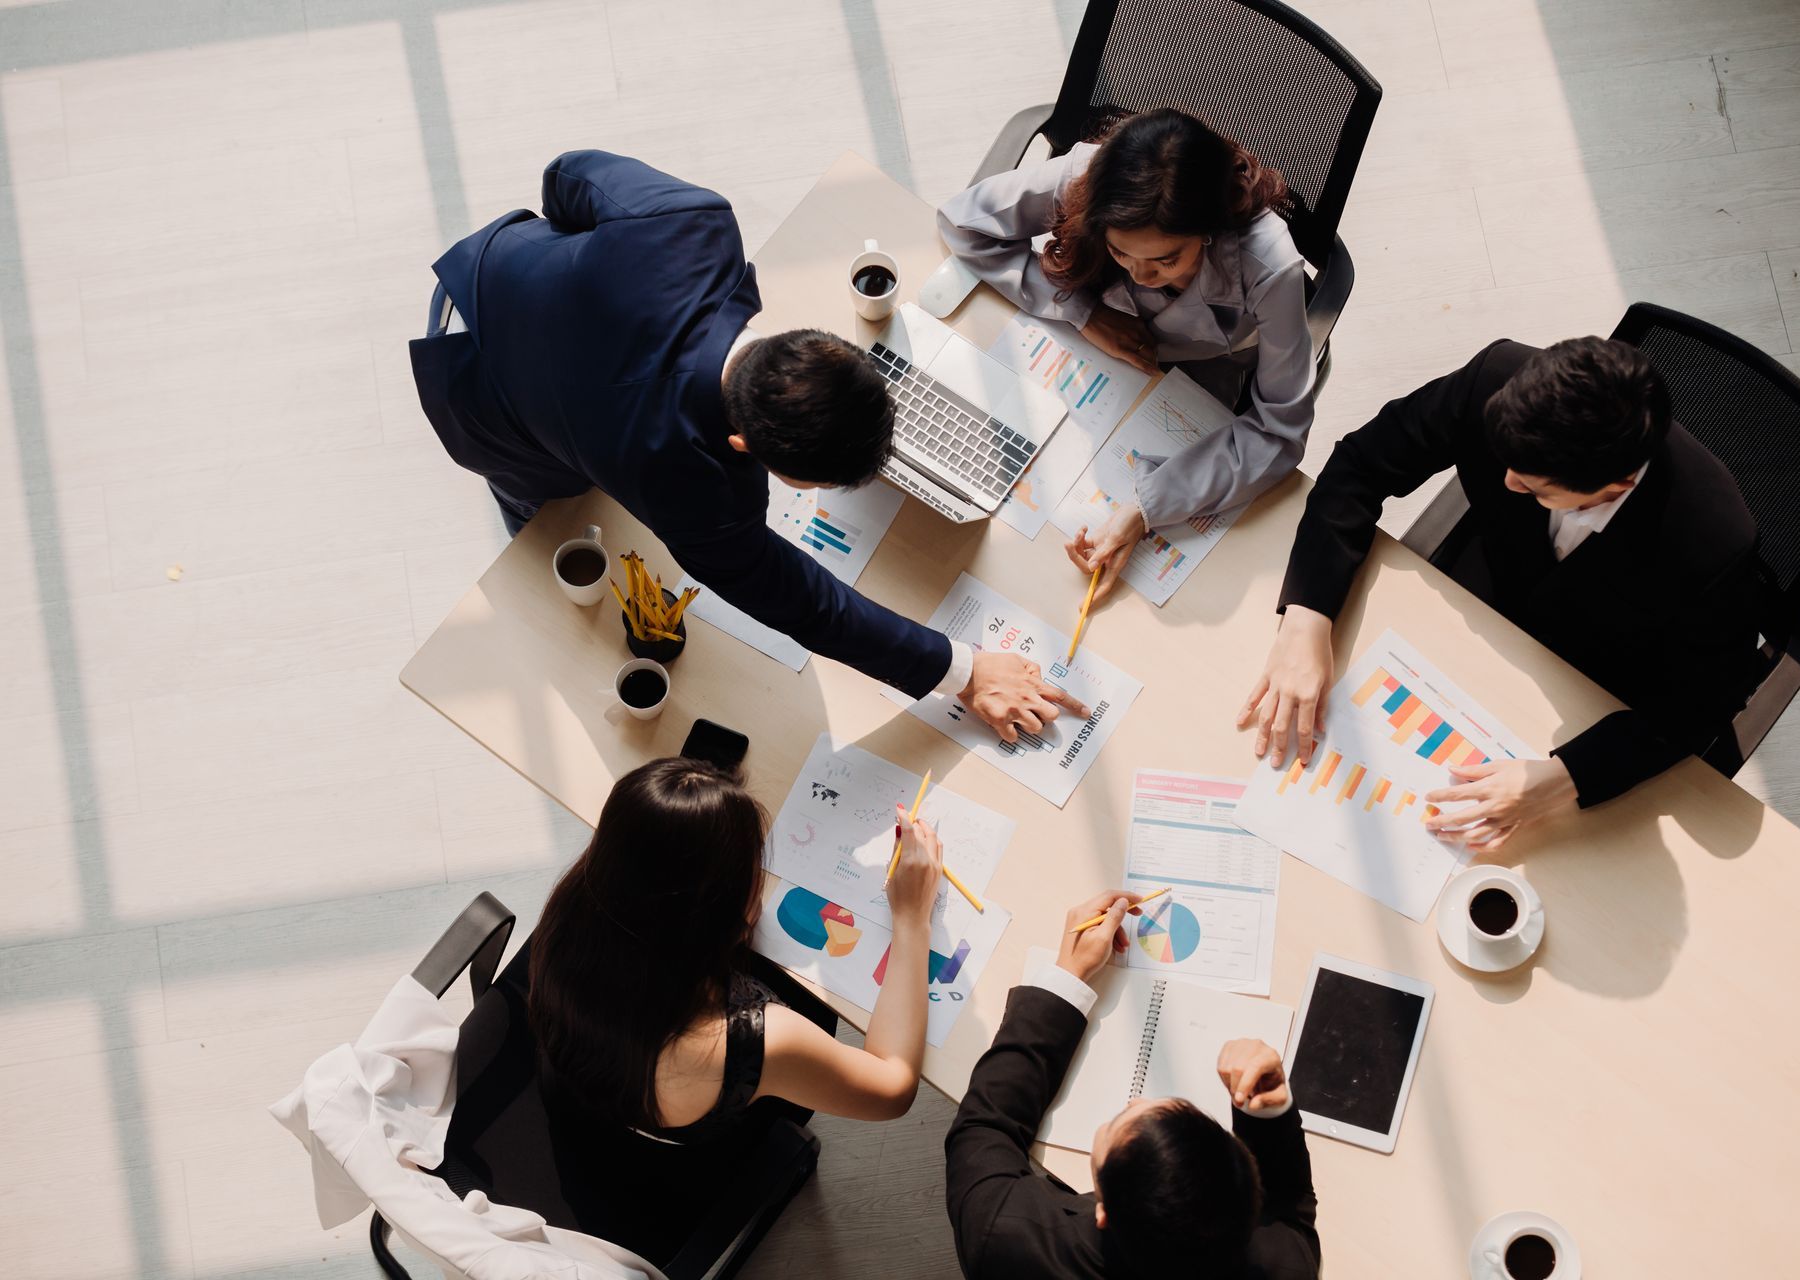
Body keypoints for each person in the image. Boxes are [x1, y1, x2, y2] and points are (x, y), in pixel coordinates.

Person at [411, 148, 1083, 741]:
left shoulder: (692, 228)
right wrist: (963, 672)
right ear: (741, 444)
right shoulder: (692, 490)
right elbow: (807, 605)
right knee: (549, 507)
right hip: (474, 391)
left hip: (494, 275)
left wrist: (577, 269)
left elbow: (568, 175)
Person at [1240, 337, 1764, 849]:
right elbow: (1362, 463)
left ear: (1618, 485)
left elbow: (1699, 706)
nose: (1507, 482)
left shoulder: (1715, 545)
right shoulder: (1498, 379)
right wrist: (1308, 616)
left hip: (1596, 679)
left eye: (1534, 485)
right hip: (1485, 605)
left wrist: (1565, 778)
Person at [508, 756, 944, 1258]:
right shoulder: (749, 1042)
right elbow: (892, 1088)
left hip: (584, 1081)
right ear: (722, 917)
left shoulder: (579, 904)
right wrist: (912, 918)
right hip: (673, 1165)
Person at [939, 108, 1316, 605]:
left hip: (1204, 370)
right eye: (1121, 254)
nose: (1141, 276)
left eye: (1166, 260)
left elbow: (1279, 431)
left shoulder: (1270, 264)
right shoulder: (1084, 179)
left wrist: (1148, 506)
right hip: (1097, 352)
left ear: (1208, 230)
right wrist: (1083, 312)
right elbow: (961, 221)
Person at [945, 889, 1321, 1278]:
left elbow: (984, 1128)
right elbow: (1290, 1212)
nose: (1135, 1101)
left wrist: (1066, 976)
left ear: (1103, 1211)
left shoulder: (1003, 1239)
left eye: (1114, 1128)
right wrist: (1269, 1114)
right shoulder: (1282, 1268)